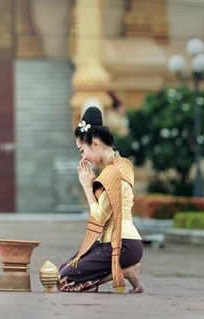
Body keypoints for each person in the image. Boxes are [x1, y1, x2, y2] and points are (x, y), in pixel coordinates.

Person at [57, 106, 144, 293]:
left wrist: (87, 186)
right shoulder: (122, 164)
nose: (83, 158)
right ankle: (125, 269)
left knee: (65, 279)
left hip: (123, 243)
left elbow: (99, 216)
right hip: (121, 242)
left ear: (95, 144)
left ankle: (127, 270)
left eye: (82, 151)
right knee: (63, 270)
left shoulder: (113, 172)